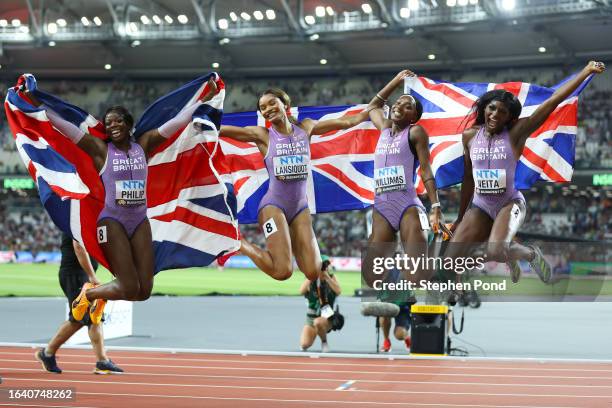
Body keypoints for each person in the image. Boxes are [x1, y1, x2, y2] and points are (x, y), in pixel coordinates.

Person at [23, 77, 219, 323]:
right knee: (127, 287)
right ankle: (89, 294)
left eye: (117, 121)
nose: (112, 125)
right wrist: (38, 108)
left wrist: (202, 100)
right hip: (111, 221)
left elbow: (176, 122)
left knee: (144, 291)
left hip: (139, 221)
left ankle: (100, 295)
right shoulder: (100, 149)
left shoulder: (144, 145)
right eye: (108, 123)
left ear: (128, 124)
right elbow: (66, 127)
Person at [448, 61, 606, 283]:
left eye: (502, 112)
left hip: (509, 203)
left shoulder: (516, 133)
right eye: (491, 108)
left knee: (494, 252)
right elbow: (468, 179)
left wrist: (586, 72)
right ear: (484, 109)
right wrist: (460, 216)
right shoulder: (469, 136)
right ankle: (504, 253)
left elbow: (552, 102)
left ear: (510, 119)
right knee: (450, 260)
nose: (494, 114)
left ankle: (531, 253)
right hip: (480, 206)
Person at [220, 89, 370, 281]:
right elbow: (222, 130)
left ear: (285, 105)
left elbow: (348, 122)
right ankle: (239, 242)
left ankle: (289, 239)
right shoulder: (263, 135)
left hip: (300, 208)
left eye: (272, 103)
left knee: (314, 272)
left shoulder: (305, 128)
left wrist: (376, 104)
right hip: (273, 206)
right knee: (282, 271)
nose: (268, 109)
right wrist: (198, 121)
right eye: (263, 108)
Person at [362, 70, 444, 287]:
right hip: (382, 207)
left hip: (407, 205)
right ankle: (400, 272)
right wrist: (396, 81)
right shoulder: (384, 128)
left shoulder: (415, 132)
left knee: (418, 279)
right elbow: (372, 107)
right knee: (371, 278)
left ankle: (436, 254)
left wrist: (435, 204)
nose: (399, 106)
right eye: (398, 102)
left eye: (407, 106)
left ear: (414, 117)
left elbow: (426, 169)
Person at [35, 233, 123, 374]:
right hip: (75, 274)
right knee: (83, 317)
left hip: (81, 274)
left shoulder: (86, 218)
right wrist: (92, 276)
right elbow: (79, 247)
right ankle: (48, 353)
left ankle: (102, 361)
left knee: (92, 316)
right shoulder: (75, 217)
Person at [299, 256, 342, 352]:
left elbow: (338, 291)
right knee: (304, 344)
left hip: (327, 317)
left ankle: (324, 342)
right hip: (311, 316)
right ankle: (316, 331)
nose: (323, 268)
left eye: (324, 266)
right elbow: (301, 291)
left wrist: (327, 277)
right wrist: (312, 275)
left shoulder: (331, 277)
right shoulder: (311, 278)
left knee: (318, 322)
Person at [377, 269, 416, 352]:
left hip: (403, 309)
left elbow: (412, 302)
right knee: (384, 315)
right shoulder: (384, 277)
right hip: (389, 306)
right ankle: (386, 341)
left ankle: (407, 338)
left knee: (399, 335)